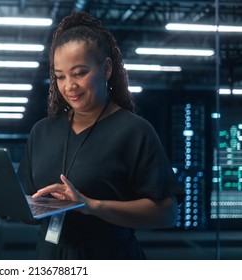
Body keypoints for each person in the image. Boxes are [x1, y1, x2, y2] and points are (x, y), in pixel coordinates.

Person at [17, 11, 184, 259]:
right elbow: (27, 199)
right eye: (60, 76)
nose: (68, 86)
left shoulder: (134, 131)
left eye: (79, 73)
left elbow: (167, 214)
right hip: (50, 255)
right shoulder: (43, 131)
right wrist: (3, 201)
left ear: (106, 69)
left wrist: (90, 205)